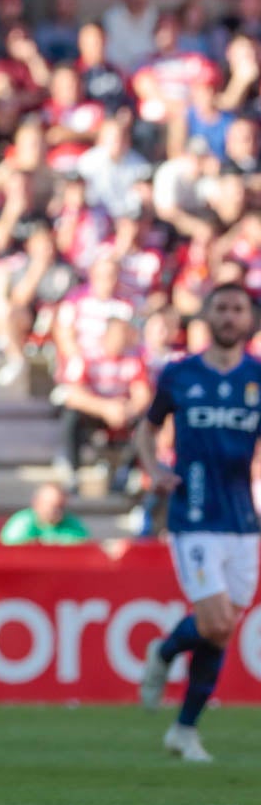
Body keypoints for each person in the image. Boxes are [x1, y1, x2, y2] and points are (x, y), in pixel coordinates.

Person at [137, 285, 261, 763]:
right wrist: (154, 469)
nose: (230, 316)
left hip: (244, 521)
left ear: (249, 320)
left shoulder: (257, 377)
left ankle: (184, 728)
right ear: (207, 315)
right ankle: (166, 653)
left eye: (238, 309)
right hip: (194, 514)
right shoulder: (179, 374)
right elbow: (147, 429)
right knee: (214, 619)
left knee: (222, 628)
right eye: (222, 308)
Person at [0, 482, 90, 545]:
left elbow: (82, 545)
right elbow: (10, 549)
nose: (57, 511)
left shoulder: (72, 524)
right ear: (37, 503)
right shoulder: (22, 522)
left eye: (61, 506)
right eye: (52, 506)